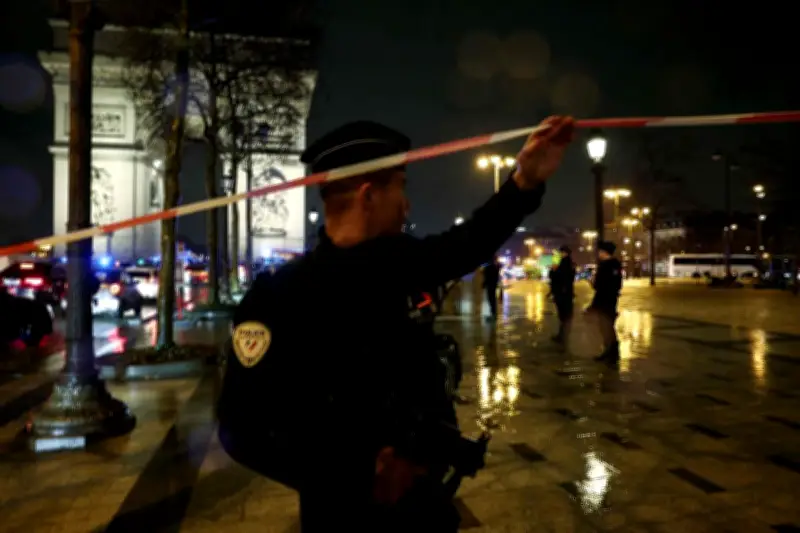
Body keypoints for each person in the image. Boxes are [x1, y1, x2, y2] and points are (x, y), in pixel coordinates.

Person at [216, 116, 574, 531]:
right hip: (345, 516)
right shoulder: (281, 296)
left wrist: (524, 182)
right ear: (369, 196)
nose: (407, 205)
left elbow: (469, 242)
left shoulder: (404, 263)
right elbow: (241, 430)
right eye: (400, 188)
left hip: (426, 508)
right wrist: (359, 475)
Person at [588, 240, 623, 366]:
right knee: (608, 327)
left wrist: (593, 281)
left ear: (604, 252)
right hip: (610, 299)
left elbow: (599, 285)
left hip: (604, 301)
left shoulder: (605, 266)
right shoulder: (616, 265)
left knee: (606, 327)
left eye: (600, 251)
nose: (598, 253)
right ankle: (612, 352)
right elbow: (618, 284)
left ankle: (611, 353)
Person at [549, 245, 575, 343]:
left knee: (563, 315)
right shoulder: (569, 263)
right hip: (565, 293)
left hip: (562, 294)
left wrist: (553, 270)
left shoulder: (564, 264)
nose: (560, 254)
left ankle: (563, 336)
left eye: (561, 252)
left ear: (565, 253)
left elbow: (557, 278)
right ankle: (562, 335)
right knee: (564, 315)